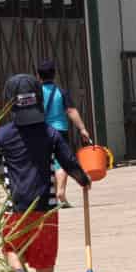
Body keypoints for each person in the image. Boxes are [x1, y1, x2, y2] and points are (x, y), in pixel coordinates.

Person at [0, 73, 91, 272]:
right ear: (38, 100)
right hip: (46, 206)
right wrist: (83, 179)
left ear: (10, 102)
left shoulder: (2, 135)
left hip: (16, 206)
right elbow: (69, 160)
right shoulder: (50, 133)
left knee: (12, 247)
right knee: (45, 253)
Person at [37, 58, 92, 208]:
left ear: (38, 76)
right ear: (54, 75)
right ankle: (60, 191)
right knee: (60, 162)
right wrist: (82, 129)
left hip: (41, 131)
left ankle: (47, 197)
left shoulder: (36, 93)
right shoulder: (61, 92)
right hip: (59, 131)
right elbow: (71, 111)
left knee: (43, 162)